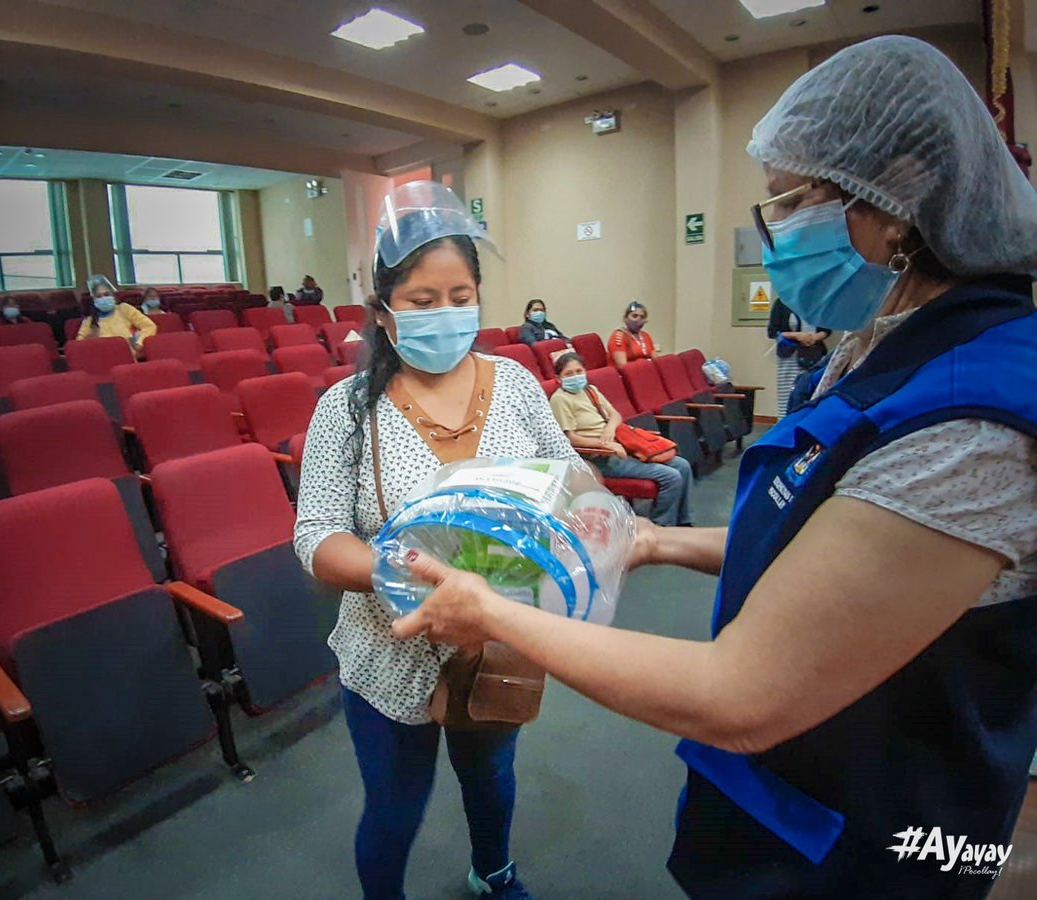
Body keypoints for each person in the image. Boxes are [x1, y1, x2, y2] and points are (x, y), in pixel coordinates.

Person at [390, 37, 1037, 899]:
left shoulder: (966, 416)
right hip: (808, 788)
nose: (774, 234)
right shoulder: (885, 345)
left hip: (885, 822)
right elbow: (818, 543)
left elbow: (739, 695)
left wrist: (493, 613)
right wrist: (657, 544)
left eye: (792, 203)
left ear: (900, 200)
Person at [294, 181, 579, 900]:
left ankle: (494, 870)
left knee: (492, 777)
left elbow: (572, 479)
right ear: (385, 312)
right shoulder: (347, 408)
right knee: (394, 807)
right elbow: (318, 535)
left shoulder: (513, 382)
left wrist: (580, 528)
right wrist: (412, 574)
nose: (445, 314)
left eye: (460, 296)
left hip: (499, 640)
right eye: (422, 301)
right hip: (388, 652)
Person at [549, 352, 692, 526]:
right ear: (558, 378)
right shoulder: (559, 399)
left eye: (579, 371)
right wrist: (605, 444)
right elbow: (570, 439)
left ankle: (684, 522)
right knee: (671, 477)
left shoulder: (590, 390)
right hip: (600, 457)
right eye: (568, 374)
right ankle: (661, 526)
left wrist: (609, 429)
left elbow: (615, 415)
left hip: (621, 444)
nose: (575, 376)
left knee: (682, 466)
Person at [767, 298, 830, 417]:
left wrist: (814, 338)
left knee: (812, 391)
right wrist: (797, 336)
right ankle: (786, 423)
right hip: (790, 358)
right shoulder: (782, 302)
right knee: (788, 395)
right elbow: (773, 332)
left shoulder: (819, 301)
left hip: (814, 355)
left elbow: (826, 330)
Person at [76, 274, 156, 358]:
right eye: (99, 296)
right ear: (94, 300)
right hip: (102, 360)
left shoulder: (124, 309)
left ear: (113, 296)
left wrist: (139, 344)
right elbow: (78, 346)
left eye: (107, 294)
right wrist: (90, 339)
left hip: (127, 358)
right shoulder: (89, 321)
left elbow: (149, 326)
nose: (103, 298)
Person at [607, 301, 656, 367]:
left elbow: (657, 361)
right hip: (626, 375)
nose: (638, 319)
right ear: (625, 318)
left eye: (642, 317)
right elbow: (623, 367)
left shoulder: (645, 335)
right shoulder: (618, 336)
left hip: (646, 371)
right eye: (634, 316)